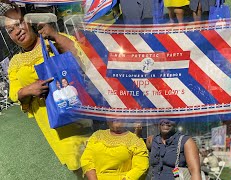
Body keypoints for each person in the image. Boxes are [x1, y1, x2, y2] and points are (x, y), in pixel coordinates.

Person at [3, 4, 92, 171]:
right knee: (81, 169)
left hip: (82, 117)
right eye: (10, 30)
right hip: (57, 129)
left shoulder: (51, 40)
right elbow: (15, 94)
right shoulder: (15, 62)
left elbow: (82, 59)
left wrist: (55, 36)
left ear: (29, 21)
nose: (17, 31)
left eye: (20, 23)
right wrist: (27, 91)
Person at [80, 119, 149, 180]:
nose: (115, 118)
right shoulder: (97, 136)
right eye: (112, 115)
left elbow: (141, 167)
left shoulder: (135, 140)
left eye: (119, 114)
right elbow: (86, 160)